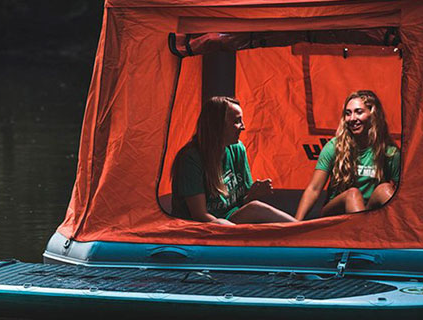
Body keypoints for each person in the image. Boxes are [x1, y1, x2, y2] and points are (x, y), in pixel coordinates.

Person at [171, 96, 295, 224]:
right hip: (200, 227)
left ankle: (304, 232)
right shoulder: (191, 159)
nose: (243, 127)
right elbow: (200, 215)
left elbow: (243, 202)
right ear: (217, 124)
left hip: (232, 219)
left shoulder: (237, 149)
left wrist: (253, 194)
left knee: (256, 207)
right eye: (237, 121)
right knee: (221, 223)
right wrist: (233, 233)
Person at [294, 90, 400, 220]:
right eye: (348, 114)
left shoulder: (389, 152)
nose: (352, 119)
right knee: (353, 194)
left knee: (385, 189)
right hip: (336, 213)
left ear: (373, 115)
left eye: (359, 112)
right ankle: (361, 235)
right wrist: (295, 224)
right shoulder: (335, 146)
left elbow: (402, 195)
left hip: (369, 212)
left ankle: (407, 237)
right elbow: (314, 189)